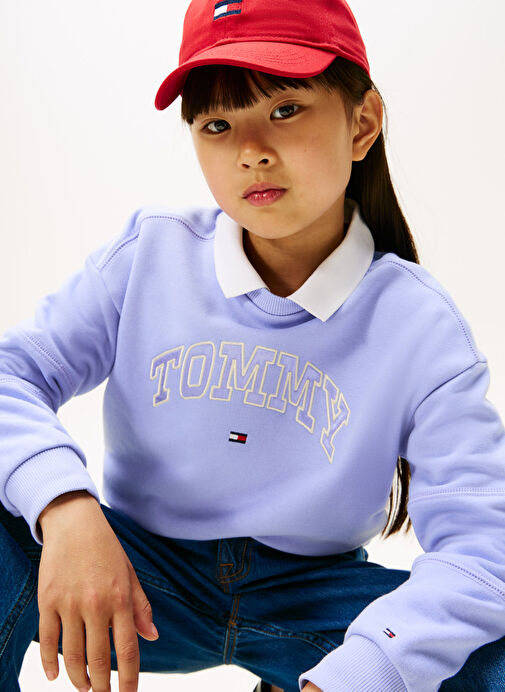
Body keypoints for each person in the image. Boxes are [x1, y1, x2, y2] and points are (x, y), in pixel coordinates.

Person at [1, 0, 505, 691]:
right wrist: (65, 509)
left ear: (362, 123)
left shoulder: (420, 325)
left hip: (315, 600)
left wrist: (363, 671)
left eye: (285, 109)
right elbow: (12, 375)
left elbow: (483, 546)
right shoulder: (149, 255)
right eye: (217, 124)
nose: (251, 150)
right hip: (138, 580)